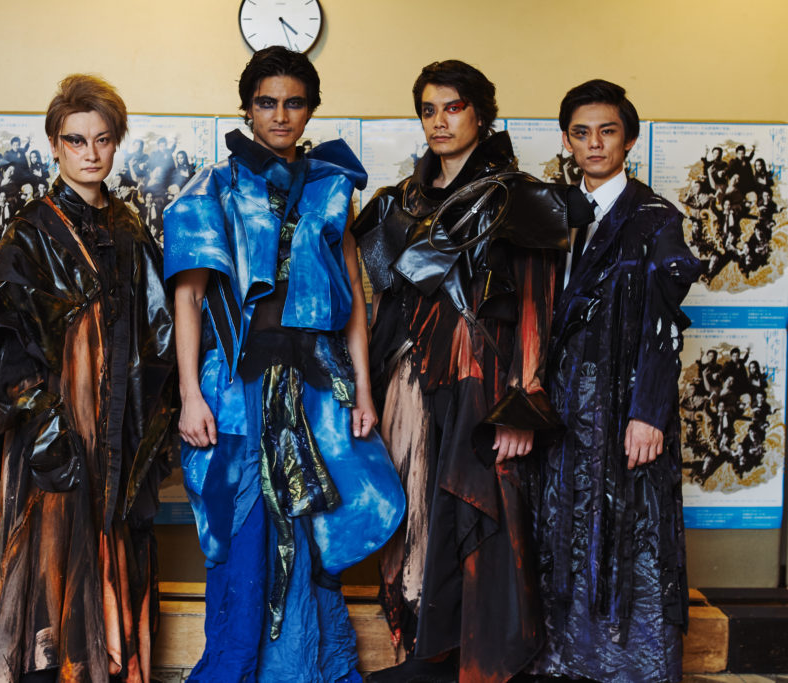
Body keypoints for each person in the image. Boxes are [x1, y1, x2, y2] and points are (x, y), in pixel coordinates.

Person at [163, 46, 404, 682]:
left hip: (317, 385)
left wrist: (364, 391)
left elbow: (354, 298)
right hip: (235, 386)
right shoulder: (214, 186)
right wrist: (190, 394)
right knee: (243, 530)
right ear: (247, 108)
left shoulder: (332, 186)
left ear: (310, 110)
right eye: (266, 102)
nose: (279, 115)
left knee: (314, 527)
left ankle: (307, 668)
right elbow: (189, 298)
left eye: (293, 103)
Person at [352, 60, 589, 683]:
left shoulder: (518, 197)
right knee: (410, 507)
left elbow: (537, 306)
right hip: (406, 375)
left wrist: (522, 403)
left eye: (453, 108)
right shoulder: (398, 202)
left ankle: (470, 660)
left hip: (481, 382)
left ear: (480, 115)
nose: (439, 121)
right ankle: (419, 649)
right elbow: (378, 299)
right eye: (428, 110)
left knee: (478, 512)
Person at [0, 74, 175, 683]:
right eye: (76, 140)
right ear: (54, 145)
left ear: (116, 143)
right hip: (52, 427)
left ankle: (110, 667)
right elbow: (4, 344)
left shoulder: (130, 229)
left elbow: (157, 335)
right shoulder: (30, 231)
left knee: (116, 542)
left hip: (119, 423)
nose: (90, 153)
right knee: (51, 549)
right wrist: (52, 426)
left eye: (102, 139)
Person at [532, 79, 701, 682]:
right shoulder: (552, 213)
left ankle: (630, 668)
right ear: (567, 140)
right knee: (561, 523)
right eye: (582, 133)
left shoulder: (654, 218)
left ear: (629, 139)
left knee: (629, 527)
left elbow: (664, 324)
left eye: (607, 131)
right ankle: (564, 658)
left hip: (623, 405)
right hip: (560, 404)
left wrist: (649, 412)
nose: (595, 143)